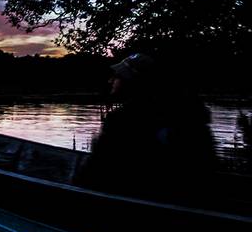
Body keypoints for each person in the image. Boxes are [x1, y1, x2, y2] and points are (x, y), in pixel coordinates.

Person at [77, 53, 217, 202]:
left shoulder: (121, 120)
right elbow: (207, 168)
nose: (110, 80)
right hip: (187, 198)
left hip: (141, 200)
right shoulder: (190, 113)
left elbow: (92, 173)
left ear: (131, 82)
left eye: (117, 76)